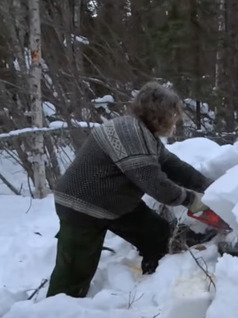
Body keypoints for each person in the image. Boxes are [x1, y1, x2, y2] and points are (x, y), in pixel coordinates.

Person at [46, 81, 213, 299]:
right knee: (74, 274)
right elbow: (157, 185)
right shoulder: (130, 135)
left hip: (113, 202)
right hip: (81, 206)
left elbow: (173, 165)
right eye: (173, 115)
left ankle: (153, 279)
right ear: (159, 115)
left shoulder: (141, 133)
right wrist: (190, 199)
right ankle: (55, 316)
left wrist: (209, 187)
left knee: (159, 236)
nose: (175, 122)